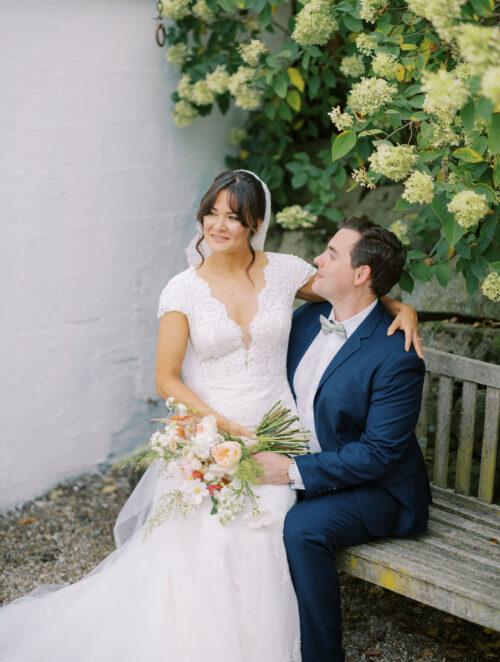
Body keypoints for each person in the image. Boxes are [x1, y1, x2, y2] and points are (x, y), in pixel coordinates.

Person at [0, 171, 421, 662]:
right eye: (212, 212)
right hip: (212, 429)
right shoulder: (183, 289)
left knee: (266, 533)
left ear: (255, 224)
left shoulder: (285, 272)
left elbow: (352, 293)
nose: (217, 225)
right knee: (206, 540)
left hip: (279, 435)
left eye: (232, 217)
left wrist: (401, 306)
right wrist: (215, 427)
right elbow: (168, 379)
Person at [253, 217, 432, 662]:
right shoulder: (308, 318)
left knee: (303, 528)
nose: (317, 258)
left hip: (379, 488)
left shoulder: (397, 356)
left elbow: (379, 455)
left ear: (361, 274)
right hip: (317, 468)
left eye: (332, 253)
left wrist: (291, 472)